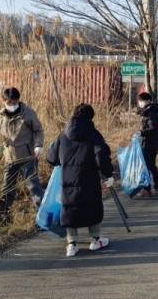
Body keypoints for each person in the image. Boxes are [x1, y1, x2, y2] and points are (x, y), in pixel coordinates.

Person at [45, 103, 114, 257]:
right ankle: (96, 240)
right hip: (89, 179)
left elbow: (50, 157)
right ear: (91, 117)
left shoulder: (63, 136)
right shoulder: (94, 135)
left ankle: (71, 244)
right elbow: (102, 157)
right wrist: (108, 175)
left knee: (70, 208)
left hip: (67, 180)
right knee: (92, 206)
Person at [0, 87, 44, 225]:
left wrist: (38, 146)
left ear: (18, 100)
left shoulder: (27, 112)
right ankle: (3, 219)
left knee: (34, 188)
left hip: (28, 157)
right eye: (9, 102)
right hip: (9, 158)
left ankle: (43, 218)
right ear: (3, 101)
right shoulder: (0, 114)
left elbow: (38, 130)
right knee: (7, 188)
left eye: (15, 102)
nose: (12, 105)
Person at [137, 92, 158, 196]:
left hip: (149, 143)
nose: (140, 103)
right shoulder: (148, 111)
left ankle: (148, 189)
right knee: (150, 166)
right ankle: (155, 187)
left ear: (147, 101)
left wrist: (142, 132)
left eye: (141, 101)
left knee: (148, 166)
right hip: (148, 142)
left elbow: (153, 128)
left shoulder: (151, 113)